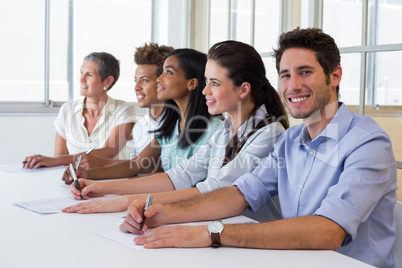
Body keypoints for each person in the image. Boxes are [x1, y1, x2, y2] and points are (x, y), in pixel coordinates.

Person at [119, 28, 398, 268]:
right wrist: (163, 214)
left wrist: (213, 233)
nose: (293, 85)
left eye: (305, 72)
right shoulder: (291, 141)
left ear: (334, 75)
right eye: (286, 75)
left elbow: (328, 231)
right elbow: (240, 194)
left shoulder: (368, 142)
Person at [63, 40, 289, 217]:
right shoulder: (226, 129)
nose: (204, 90)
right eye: (207, 81)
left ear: (243, 89)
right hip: (222, 223)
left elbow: (215, 189)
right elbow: (181, 175)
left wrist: (129, 199)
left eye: (215, 83)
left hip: (250, 234)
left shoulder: (269, 134)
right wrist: (103, 188)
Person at [62, 48, 223, 183]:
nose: (159, 79)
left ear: (192, 83)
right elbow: (138, 164)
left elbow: (195, 185)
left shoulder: (215, 128)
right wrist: (87, 175)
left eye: (168, 72)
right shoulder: (171, 126)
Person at [23, 52, 136, 169]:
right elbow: (59, 161)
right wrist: (51, 161)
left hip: (110, 182)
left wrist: (54, 160)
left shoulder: (124, 110)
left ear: (107, 81)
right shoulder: (67, 110)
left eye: (89, 75)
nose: (81, 79)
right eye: (81, 73)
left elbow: (109, 152)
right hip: (73, 182)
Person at [75, 43, 174, 170]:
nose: (136, 87)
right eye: (135, 80)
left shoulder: (177, 123)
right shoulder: (140, 127)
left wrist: (98, 164)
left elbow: (158, 169)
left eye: (144, 80)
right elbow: (141, 168)